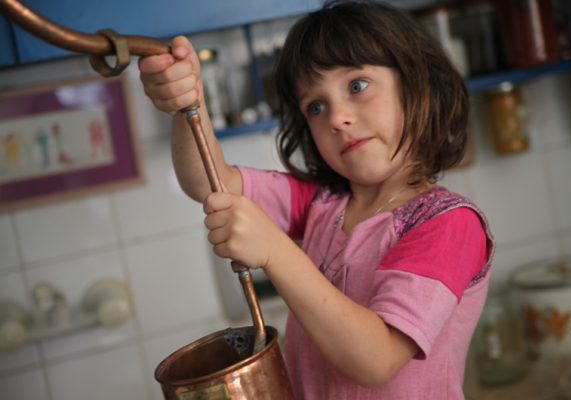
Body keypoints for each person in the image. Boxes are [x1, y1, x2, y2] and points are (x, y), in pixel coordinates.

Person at [139, 1, 494, 398]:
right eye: (316, 107)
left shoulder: (448, 224)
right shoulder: (322, 203)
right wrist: (187, 105)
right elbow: (210, 182)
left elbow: (375, 360)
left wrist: (276, 252)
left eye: (357, 85)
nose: (337, 117)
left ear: (416, 82)